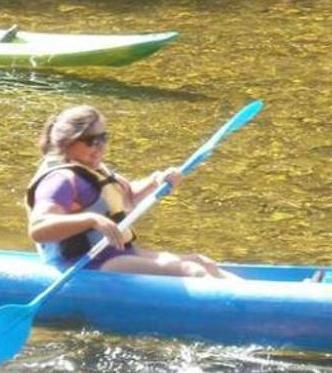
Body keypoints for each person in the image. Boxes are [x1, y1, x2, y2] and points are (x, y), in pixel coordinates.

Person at [26, 105, 235, 278]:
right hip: (83, 264)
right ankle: (239, 315)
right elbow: (39, 228)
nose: (100, 146)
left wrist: (156, 181)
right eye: (91, 141)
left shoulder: (94, 170)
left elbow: (128, 197)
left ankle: (260, 299)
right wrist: (90, 220)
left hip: (116, 254)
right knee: (192, 271)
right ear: (69, 142)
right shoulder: (60, 180)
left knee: (202, 262)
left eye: (103, 137)